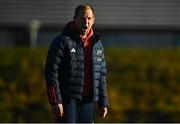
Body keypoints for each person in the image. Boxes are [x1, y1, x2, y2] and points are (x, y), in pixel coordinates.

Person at [45, 4, 109, 123]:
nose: (86, 22)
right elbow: (51, 73)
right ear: (74, 19)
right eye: (82, 18)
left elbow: (101, 76)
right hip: (67, 101)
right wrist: (55, 101)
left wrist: (103, 103)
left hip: (88, 102)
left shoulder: (97, 45)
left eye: (89, 18)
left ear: (93, 20)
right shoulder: (61, 42)